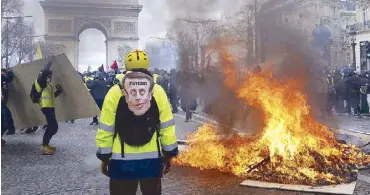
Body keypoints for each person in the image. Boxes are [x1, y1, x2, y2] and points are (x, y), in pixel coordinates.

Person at [96, 49, 178, 195]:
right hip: (152, 161)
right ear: (147, 67)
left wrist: (104, 157)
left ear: (126, 67)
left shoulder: (115, 91)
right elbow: (166, 126)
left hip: (121, 161)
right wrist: (169, 153)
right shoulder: (157, 90)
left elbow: (106, 128)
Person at [33, 57, 63, 155]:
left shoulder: (47, 85)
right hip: (45, 107)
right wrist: (50, 62)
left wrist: (58, 91)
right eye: (49, 76)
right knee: (52, 126)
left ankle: (46, 144)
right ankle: (44, 146)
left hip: (50, 107)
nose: (50, 77)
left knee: (53, 127)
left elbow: (52, 96)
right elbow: (45, 71)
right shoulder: (40, 82)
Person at [1, 68, 15, 145]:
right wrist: (10, 72)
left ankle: (10, 128)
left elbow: (9, 79)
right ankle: (10, 128)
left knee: (6, 119)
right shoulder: (1, 77)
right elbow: (9, 78)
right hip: (1, 104)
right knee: (5, 119)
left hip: (2, 103)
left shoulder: (2, 78)